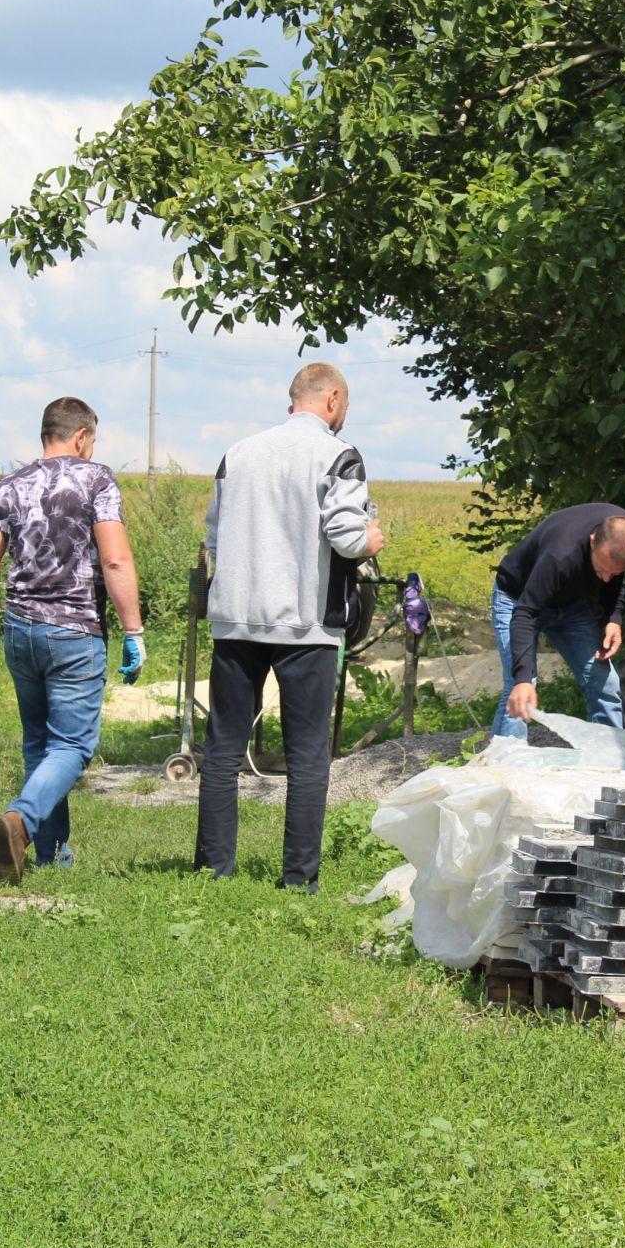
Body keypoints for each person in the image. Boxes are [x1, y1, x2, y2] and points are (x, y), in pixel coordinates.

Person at [194, 362, 384, 892]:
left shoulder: (239, 452)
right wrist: (372, 539)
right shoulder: (338, 455)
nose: (344, 413)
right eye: (344, 405)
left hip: (236, 619)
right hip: (306, 624)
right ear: (332, 399)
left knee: (224, 747)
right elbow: (347, 538)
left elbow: (214, 535)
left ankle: (212, 870)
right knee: (307, 754)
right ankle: (298, 879)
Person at [0, 397, 146, 885]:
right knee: (74, 747)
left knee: (39, 743)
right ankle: (19, 820)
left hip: (19, 630)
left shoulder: (8, 486)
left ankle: (52, 854)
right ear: (81, 435)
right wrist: (133, 629)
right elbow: (116, 561)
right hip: (75, 631)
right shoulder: (96, 479)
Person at [490, 503, 625, 738]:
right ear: (593, 540)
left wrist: (614, 618)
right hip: (517, 599)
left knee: (606, 683)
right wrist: (523, 679)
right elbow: (525, 612)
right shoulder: (560, 555)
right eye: (601, 569)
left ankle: (611, 761)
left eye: (614, 572)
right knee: (520, 688)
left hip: (569, 605)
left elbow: (613, 579)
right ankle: (505, 768)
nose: (606, 578)